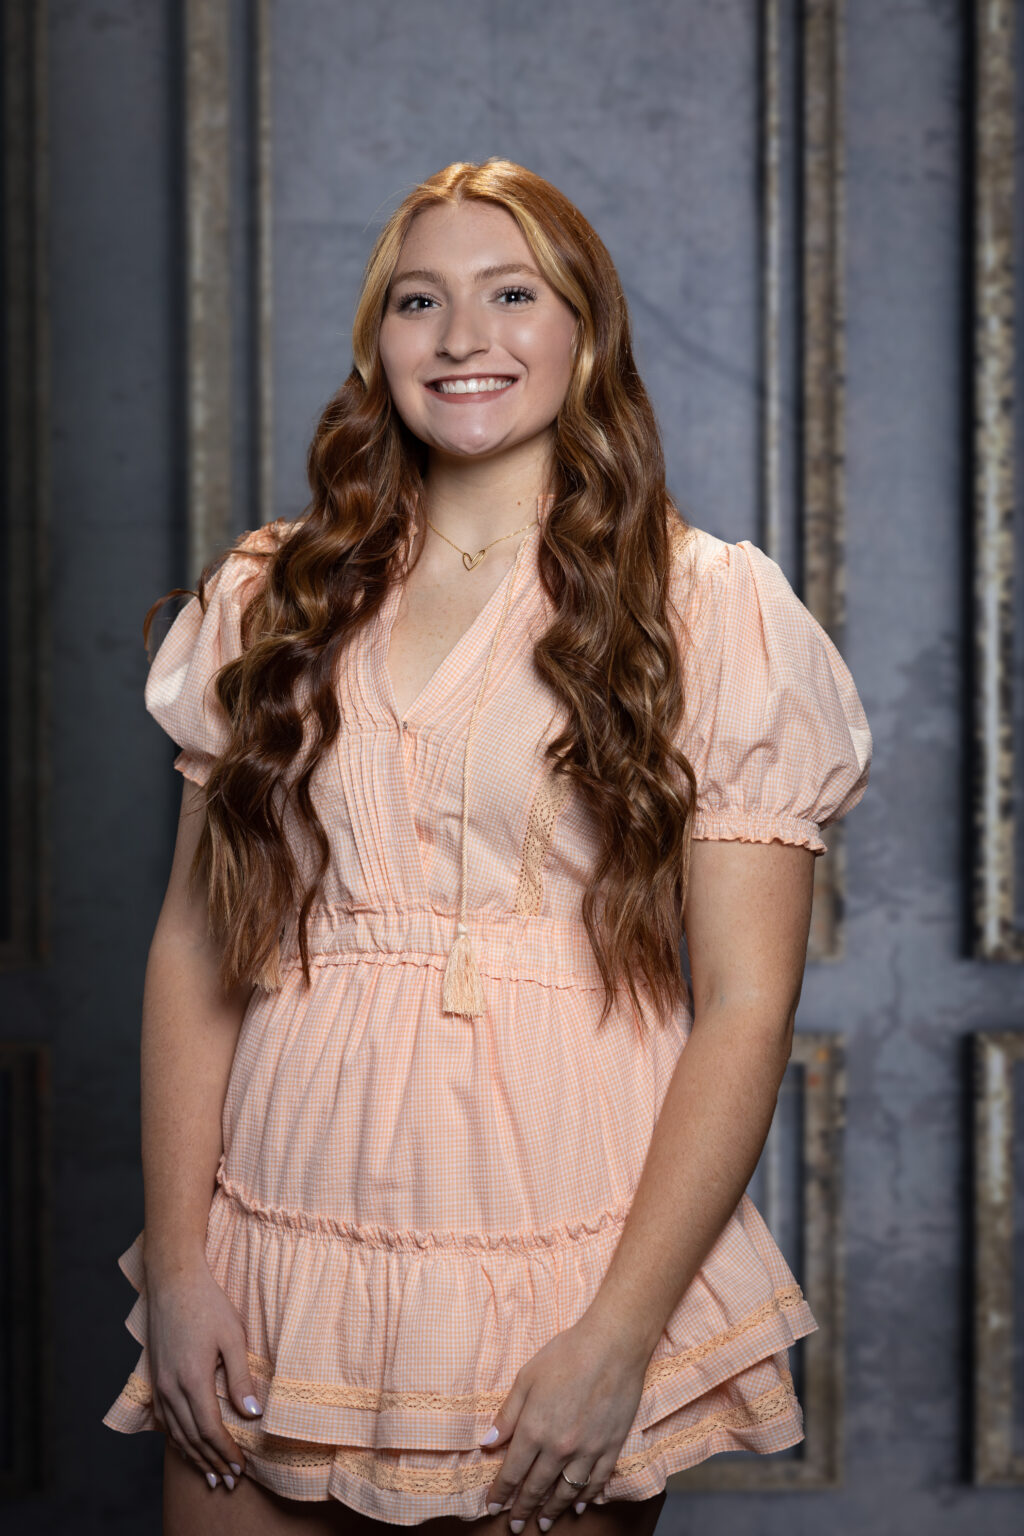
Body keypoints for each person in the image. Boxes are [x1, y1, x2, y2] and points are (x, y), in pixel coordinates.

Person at [102, 158, 872, 1535]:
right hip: (283, 1232)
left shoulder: (710, 610)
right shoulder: (271, 595)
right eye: (419, 300)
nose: (462, 336)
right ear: (377, 342)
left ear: (586, 332)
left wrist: (619, 1339)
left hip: (557, 1253)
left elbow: (748, 1006)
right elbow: (194, 941)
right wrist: (182, 1264)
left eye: (512, 293)